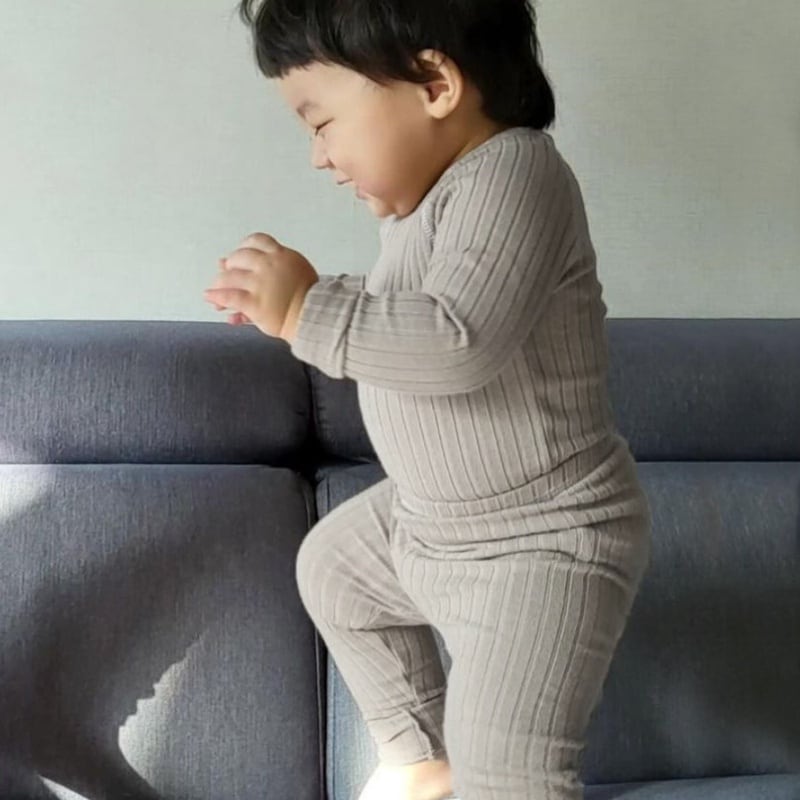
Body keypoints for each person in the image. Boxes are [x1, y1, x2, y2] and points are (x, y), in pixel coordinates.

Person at [203, 2, 652, 798]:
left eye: (322, 122)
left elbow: (458, 340)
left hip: (540, 543)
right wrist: (308, 302)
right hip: (429, 526)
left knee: (505, 769)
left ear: (436, 83)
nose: (318, 156)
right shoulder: (423, 209)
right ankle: (419, 759)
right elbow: (410, 319)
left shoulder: (518, 172)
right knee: (333, 570)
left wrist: (307, 308)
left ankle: (466, 772)